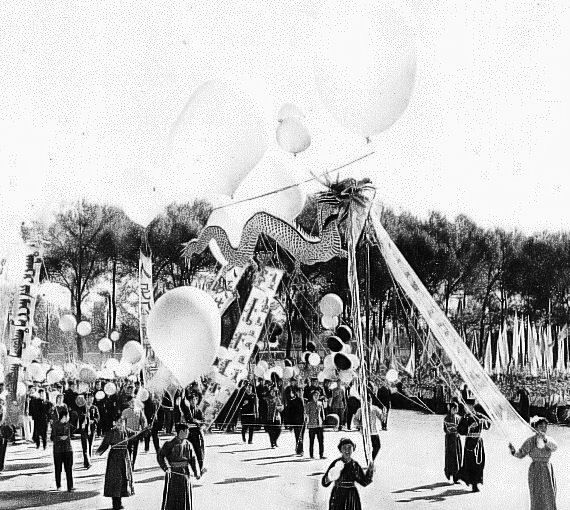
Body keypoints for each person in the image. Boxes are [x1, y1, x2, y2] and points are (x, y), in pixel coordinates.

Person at [509, 416, 558, 510]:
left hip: (547, 469)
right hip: (535, 470)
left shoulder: (548, 439)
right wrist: (513, 451)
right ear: (535, 428)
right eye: (541, 426)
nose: (543, 429)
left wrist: (545, 439)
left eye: (545, 427)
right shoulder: (530, 441)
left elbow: (555, 447)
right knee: (536, 493)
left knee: (549, 493)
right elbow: (521, 454)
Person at [322, 438, 374, 510]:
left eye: (349, 448)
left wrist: (370, 471)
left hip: (351, 496)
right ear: (340, 450)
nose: (347, 450)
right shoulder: (336, 463)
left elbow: (364, 482)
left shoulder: (355, 465)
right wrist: (329, 477)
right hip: (338, 494)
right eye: (344, 448)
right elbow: (324, 482)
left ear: (353, 449)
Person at [157, 423, 201, 510]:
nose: (188, 433)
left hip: (185, 472)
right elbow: (160, 456)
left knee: (184, 495)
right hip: (173, 474)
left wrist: (196, 472)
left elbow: (193, 459)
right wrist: (166, 468)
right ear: (181, 431)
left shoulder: (188, 444)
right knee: (173, 496)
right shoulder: (169, 444)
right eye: (187, 431)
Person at [97, 419, 135, 510]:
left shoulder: (127, 431)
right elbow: (105, 443)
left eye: (121, 423)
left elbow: (137, 435)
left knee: (123, 479)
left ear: (124, 423)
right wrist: (99, 451)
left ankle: (120, 501)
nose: (119, 424)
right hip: (114, 458)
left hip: (124, 457)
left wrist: (146, 430)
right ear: (115, 423)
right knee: (115, 479)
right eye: (118, 423)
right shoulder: (111, 432)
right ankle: (115, 503)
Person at [456, 404, 491, 492]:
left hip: (478, 442)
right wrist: (469, 427)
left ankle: (476, 481)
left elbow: (488, 424)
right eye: (465, 407)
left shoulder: (479, 416)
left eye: (468, 407)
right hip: (469, 442)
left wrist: (484, 422)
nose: (467, 409)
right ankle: (473, 484)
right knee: (470, 463)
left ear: (472, 407)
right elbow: (460, 430)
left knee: (479, 463)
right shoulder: (464, 418)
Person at [180, 393, 206, 474]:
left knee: (199, 451)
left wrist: (201, 425)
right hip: (188, 433)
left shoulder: (198, 411)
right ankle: (187, 469)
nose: (193, 402)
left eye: (194, 400)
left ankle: (201, 468)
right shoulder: (186, 409)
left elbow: (203, 422)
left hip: (197, 433)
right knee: (186, 452)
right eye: (191, 400)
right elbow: (185, 420)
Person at [50, 407, 75, 492]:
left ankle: (70, 486)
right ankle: (58, 485)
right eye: (65, 417)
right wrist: (60, 438)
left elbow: (76, 428)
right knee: (58, 468)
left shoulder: (68, 425)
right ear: (62, 417)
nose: (67, 418)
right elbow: (52, 437)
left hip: (68, 449)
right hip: (58, 450)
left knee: (69, 469)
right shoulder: (55, 425)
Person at [352, 395, 383, 460]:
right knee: (367, 448)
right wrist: (360, 425)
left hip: (374, 431)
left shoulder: (375, 409)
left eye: (369, 401)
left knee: (377, 446)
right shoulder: (360, 410)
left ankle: (371, 459)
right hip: (365, 432)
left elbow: (381, 417)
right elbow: (355, 420)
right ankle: (369, 461)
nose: (368, 403)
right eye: (367, 401)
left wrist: (383, 414)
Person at [121, 397, 147, 469]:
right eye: (131, 402)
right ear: (128, 403)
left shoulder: (139, 411)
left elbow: (143, 420)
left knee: (135, 449)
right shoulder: (125, 411)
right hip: (128, 434)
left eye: (134, 402)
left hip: (137, 433)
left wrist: (144, 428)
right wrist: (125, 429)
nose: (133, 403)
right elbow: (122, 422)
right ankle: (128, 464)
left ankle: (133, 464)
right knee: (129, 449)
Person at [78, 393, 99, 469]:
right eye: (89, 398)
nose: (90, 400)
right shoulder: (82, 407)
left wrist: (93, 421)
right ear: (86, 399)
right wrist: (84, 417)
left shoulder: (94, 407)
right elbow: (79, 417)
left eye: (92, 398)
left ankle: (87, 461)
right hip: (84, 429)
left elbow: (98, 417)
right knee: (85, 446)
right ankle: (87, 462)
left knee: (90, 445)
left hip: (92, 429)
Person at [443, 402, 462, 483]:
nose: (455, 410)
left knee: (457, 456)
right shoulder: (446, 418)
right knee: (450, 457)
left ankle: (456, 477)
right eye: (453, 409)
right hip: (449, 439)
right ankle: (449, 473)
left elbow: (461, 429)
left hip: (456, 439)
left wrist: (458, 430)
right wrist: (449, 429)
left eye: (456, 409)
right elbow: (444, 429)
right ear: (450, 409)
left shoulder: (458, 418)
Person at [306, 390, 326, 459]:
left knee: (321, 440)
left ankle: (321, 454)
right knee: (312, 441)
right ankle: (311, 455)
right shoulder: (309, 404)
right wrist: (307, 420)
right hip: (312, 424)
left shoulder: (320, 403)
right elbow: (307, 413)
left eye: (317, 395)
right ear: (312, 396)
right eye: (315, 395)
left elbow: (322, 413)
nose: (316, 397)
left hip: (319, 424)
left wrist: (323, 420)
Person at [287, 386, 306, 456]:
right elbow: (290, 413)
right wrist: (290, 424)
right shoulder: (293, 401)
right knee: (298, 436)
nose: (301, 393)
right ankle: (301, 450)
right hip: (296, 421)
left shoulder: (304, 400)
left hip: (303, 421)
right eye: (299, 392)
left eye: (302, 392)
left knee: (301, 436)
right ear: (296, 393)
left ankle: (298, 449)